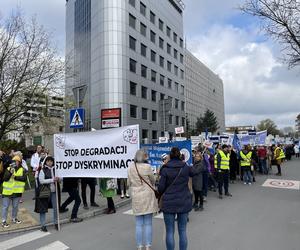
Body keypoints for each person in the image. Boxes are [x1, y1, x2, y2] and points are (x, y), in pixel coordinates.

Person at [158, 147, 194, 250]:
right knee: (182, 231)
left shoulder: (165, 168)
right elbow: (195, 172)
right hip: (183, 200)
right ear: (179, 156)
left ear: (170, 156)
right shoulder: (185, 167)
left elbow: (161, 188)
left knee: (170, 231)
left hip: (169, 202)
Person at [128, 150, 158, 250]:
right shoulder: (147, 167)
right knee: (148, 222)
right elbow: (153, 180)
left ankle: (140, 246)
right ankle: (148, 245)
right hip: (147, 195)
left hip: (136, 195)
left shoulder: (131, 167)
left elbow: (128, 182)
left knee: (138, 223)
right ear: (143, 157)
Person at [34, 156, 59, 232]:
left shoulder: (56, 169)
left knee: (56, 208)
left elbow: (60, 178)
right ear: (45, 162)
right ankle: (43, 225)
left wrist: (59, 179)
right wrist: (52, 180)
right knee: (43, 208)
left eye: (51, 161)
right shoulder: (42, 170)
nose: (49, 162)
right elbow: (41, 181)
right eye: (48, 161)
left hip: (54, 192)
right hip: (45, 192)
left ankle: (56, 222)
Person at [1, 155, 26, 228]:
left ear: (20, 162)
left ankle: (14, 218)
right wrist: (10, 172)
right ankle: (4, 221)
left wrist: (15, 177)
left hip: (17, 192)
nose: (15, 162)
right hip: (7, 192)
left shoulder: (22, 169)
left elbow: (24, 178)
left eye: (17, 161)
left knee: (15, 207)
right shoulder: (9, 168)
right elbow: (5, 179)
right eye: (14, 161)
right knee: (5, 207)